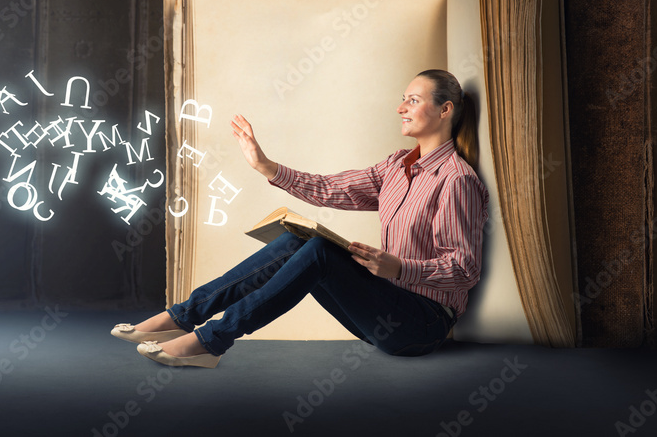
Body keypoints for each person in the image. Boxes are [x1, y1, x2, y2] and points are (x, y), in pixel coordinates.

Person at [111, 69, 489, 368]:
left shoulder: (457, 180)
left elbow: (465, 268)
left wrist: (399, 268)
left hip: (422, 325)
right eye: (402, 99)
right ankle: (182, 316)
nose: (400, 107)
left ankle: (211, 341)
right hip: (383, 310)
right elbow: (331, 189)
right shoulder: (395, 166)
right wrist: (266, 166)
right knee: (299, 240)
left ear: (445, 110)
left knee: (322, 252)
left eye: (412, 99)